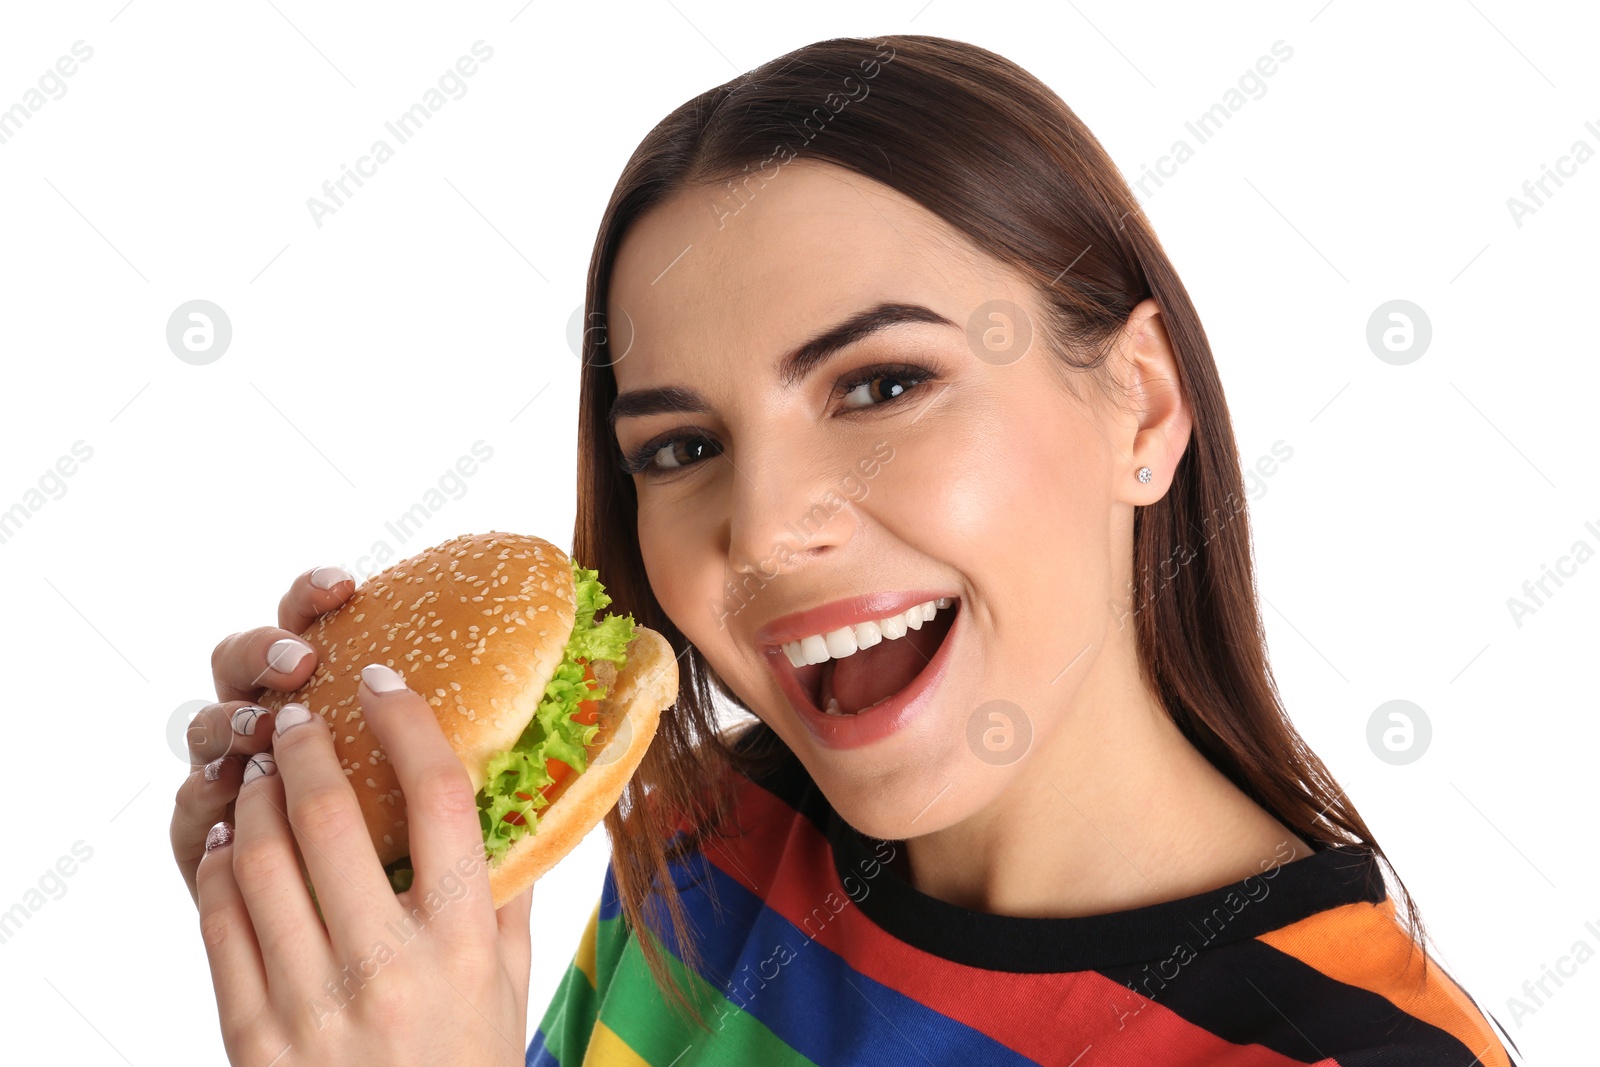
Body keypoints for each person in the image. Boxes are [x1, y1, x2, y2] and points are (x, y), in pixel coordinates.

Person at [170, 34, 1517, 1066]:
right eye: (680, 448)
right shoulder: (708, 844)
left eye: (880, 386)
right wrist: (357, 925)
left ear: (1142, 406)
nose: (759, 530)